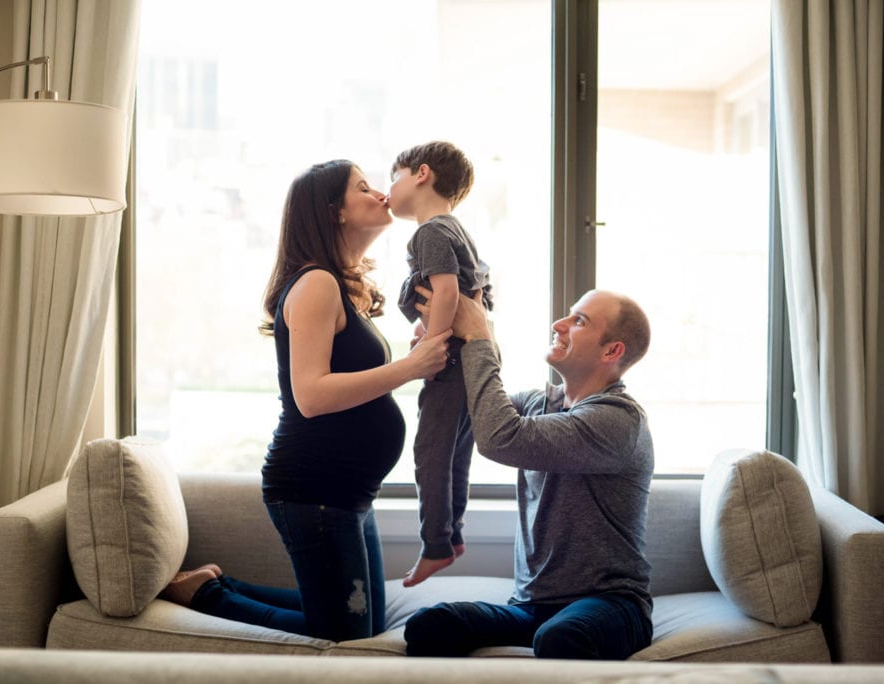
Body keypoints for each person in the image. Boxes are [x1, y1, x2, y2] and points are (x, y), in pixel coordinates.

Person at [159, 160, 451, 642]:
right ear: (334, 210)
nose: (380, 194)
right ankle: (206, 596)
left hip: (346, 492)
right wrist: (410, 368)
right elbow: (311, 396)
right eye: (363, 187)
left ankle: (215, 585)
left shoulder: (340, 286)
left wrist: (414, 354)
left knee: (365, 625)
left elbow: (352, 376)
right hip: (314, 492)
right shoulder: (315, 282)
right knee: (345, 635)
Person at [402, 286, 655, 660]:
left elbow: (500, 438)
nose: (559, 324)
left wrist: (481, 339)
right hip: (531, 606)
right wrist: (445, 345)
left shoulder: (618, 420)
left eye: (579, 321)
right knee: (429, 625)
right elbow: (474, 409)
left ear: (611, 351)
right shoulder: (540, 403)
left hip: (611, 604)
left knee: (562, 637)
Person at [387, 141, 494, 587]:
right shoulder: (457, 230)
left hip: (453, 359)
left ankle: (436, 545)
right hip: (474, 355)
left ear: (421, 174)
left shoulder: (429, 232)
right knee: (455, 449)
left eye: (394, 177)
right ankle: (453, 535)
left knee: (431, 450)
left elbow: (448, 293)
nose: (387, 190)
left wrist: (432, 347)